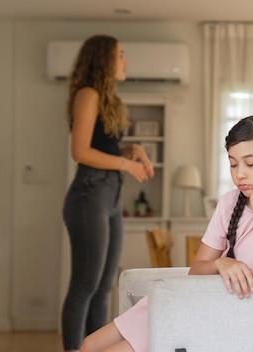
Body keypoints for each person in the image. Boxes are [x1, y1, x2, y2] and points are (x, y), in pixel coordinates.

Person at [78, 114, 253, 352]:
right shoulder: (229, 202)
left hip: (224, 311)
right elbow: (196, 269)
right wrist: (221, 263)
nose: (240, 174)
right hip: (196, 297)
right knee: (89, 345)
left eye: (250, 163)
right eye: (233, 164)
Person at [61, 34, 155, 352]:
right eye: (120, 54)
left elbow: (104, 146)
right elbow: (80, 151)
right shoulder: (87, 94)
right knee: (84, 286)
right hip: (89, 195)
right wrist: (125, 165)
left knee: (103, 287)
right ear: (103, 59)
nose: (125, 61)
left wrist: (133, 149)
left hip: (109, 196)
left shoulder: (107, 98)